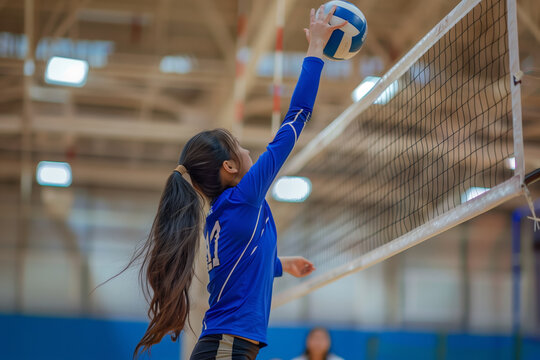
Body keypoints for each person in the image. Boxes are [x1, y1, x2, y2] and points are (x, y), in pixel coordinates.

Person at [131, 5, 347, 360]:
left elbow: (246, 268)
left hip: (226, 347)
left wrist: (282, 264)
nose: (250, 152)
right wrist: (315, 52)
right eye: (242, 149)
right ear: (230, 166)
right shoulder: (243, 200)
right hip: (227, 348)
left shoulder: (226, 213)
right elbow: (296, 119)